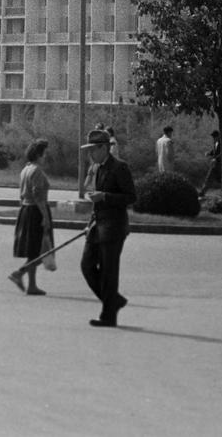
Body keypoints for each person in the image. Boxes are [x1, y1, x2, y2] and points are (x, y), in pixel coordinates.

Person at [78, 128, 136, 327]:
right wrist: (90, 222)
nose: (90, 154)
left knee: (108, 272)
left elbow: (131, 197)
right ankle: (113, 301)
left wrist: (105, 196)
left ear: (104, 148)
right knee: (86, 265)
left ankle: (108, 315)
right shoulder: (99, 168)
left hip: (114, 227)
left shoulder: (119, 167)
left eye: (93, 149)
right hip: (97, 225)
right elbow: (98, 198)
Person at [8, 139, 53, 296]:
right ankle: (19, 273)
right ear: (39, 154)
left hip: (26, 210)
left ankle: (32, 285)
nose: (46, 156)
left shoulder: (25, 170)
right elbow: (38, 196)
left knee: (33, 251)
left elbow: (22, 194)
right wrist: (45, 217)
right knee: (42, 251)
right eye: (45, 153)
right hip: (36, 212)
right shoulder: (37, 171)